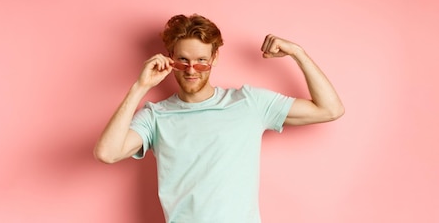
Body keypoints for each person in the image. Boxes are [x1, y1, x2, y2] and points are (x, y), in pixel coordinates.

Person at [94, 13, 344, 223]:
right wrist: (140, 86)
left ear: (214, 59)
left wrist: (297, 52)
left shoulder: (248, 103)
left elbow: (330, 109)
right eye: (183, 61)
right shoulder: (155, 116)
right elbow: (107, 152)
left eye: (201, 61)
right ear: (171, 58)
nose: (192, 70)